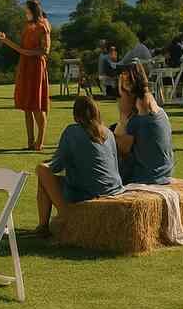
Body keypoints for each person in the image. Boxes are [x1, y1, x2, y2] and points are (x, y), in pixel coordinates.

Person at [34, 95, 125, 235]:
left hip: (89, 193)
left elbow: (54, 167)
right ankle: (45, 226)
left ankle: (62, 217)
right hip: (114, 189)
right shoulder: (108, 133)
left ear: (76, 116)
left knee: (41, 171)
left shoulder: (72, 131)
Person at [1, 0, 52, 150]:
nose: (25, 14)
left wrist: (24, 52)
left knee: (36, 105)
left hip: (36, 67)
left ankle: (39, 142)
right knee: (27, 106)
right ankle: (30, 141)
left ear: (33, 11)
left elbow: (45, 51)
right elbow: (22, 47)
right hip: (25, 66)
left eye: (27, 11)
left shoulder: (43, 27)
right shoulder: (28, 26)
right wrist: (7, 41)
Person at [115, 63, 174, 185]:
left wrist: (123, 117)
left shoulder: (139, 116)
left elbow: (121, 149)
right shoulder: (157, 109)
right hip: (164, 172)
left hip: (146, 176)